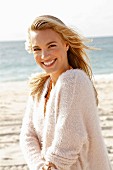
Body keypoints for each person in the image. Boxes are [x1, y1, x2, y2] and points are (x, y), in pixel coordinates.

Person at [20, 15, 112, 170]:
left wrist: (50, 167)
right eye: (37, 49)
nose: (44, 55)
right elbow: (27, 135)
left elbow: (68, 142)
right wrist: (39, 165)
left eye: (51, 46)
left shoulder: (74, 81)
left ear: (66, 44)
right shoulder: (39, 86)